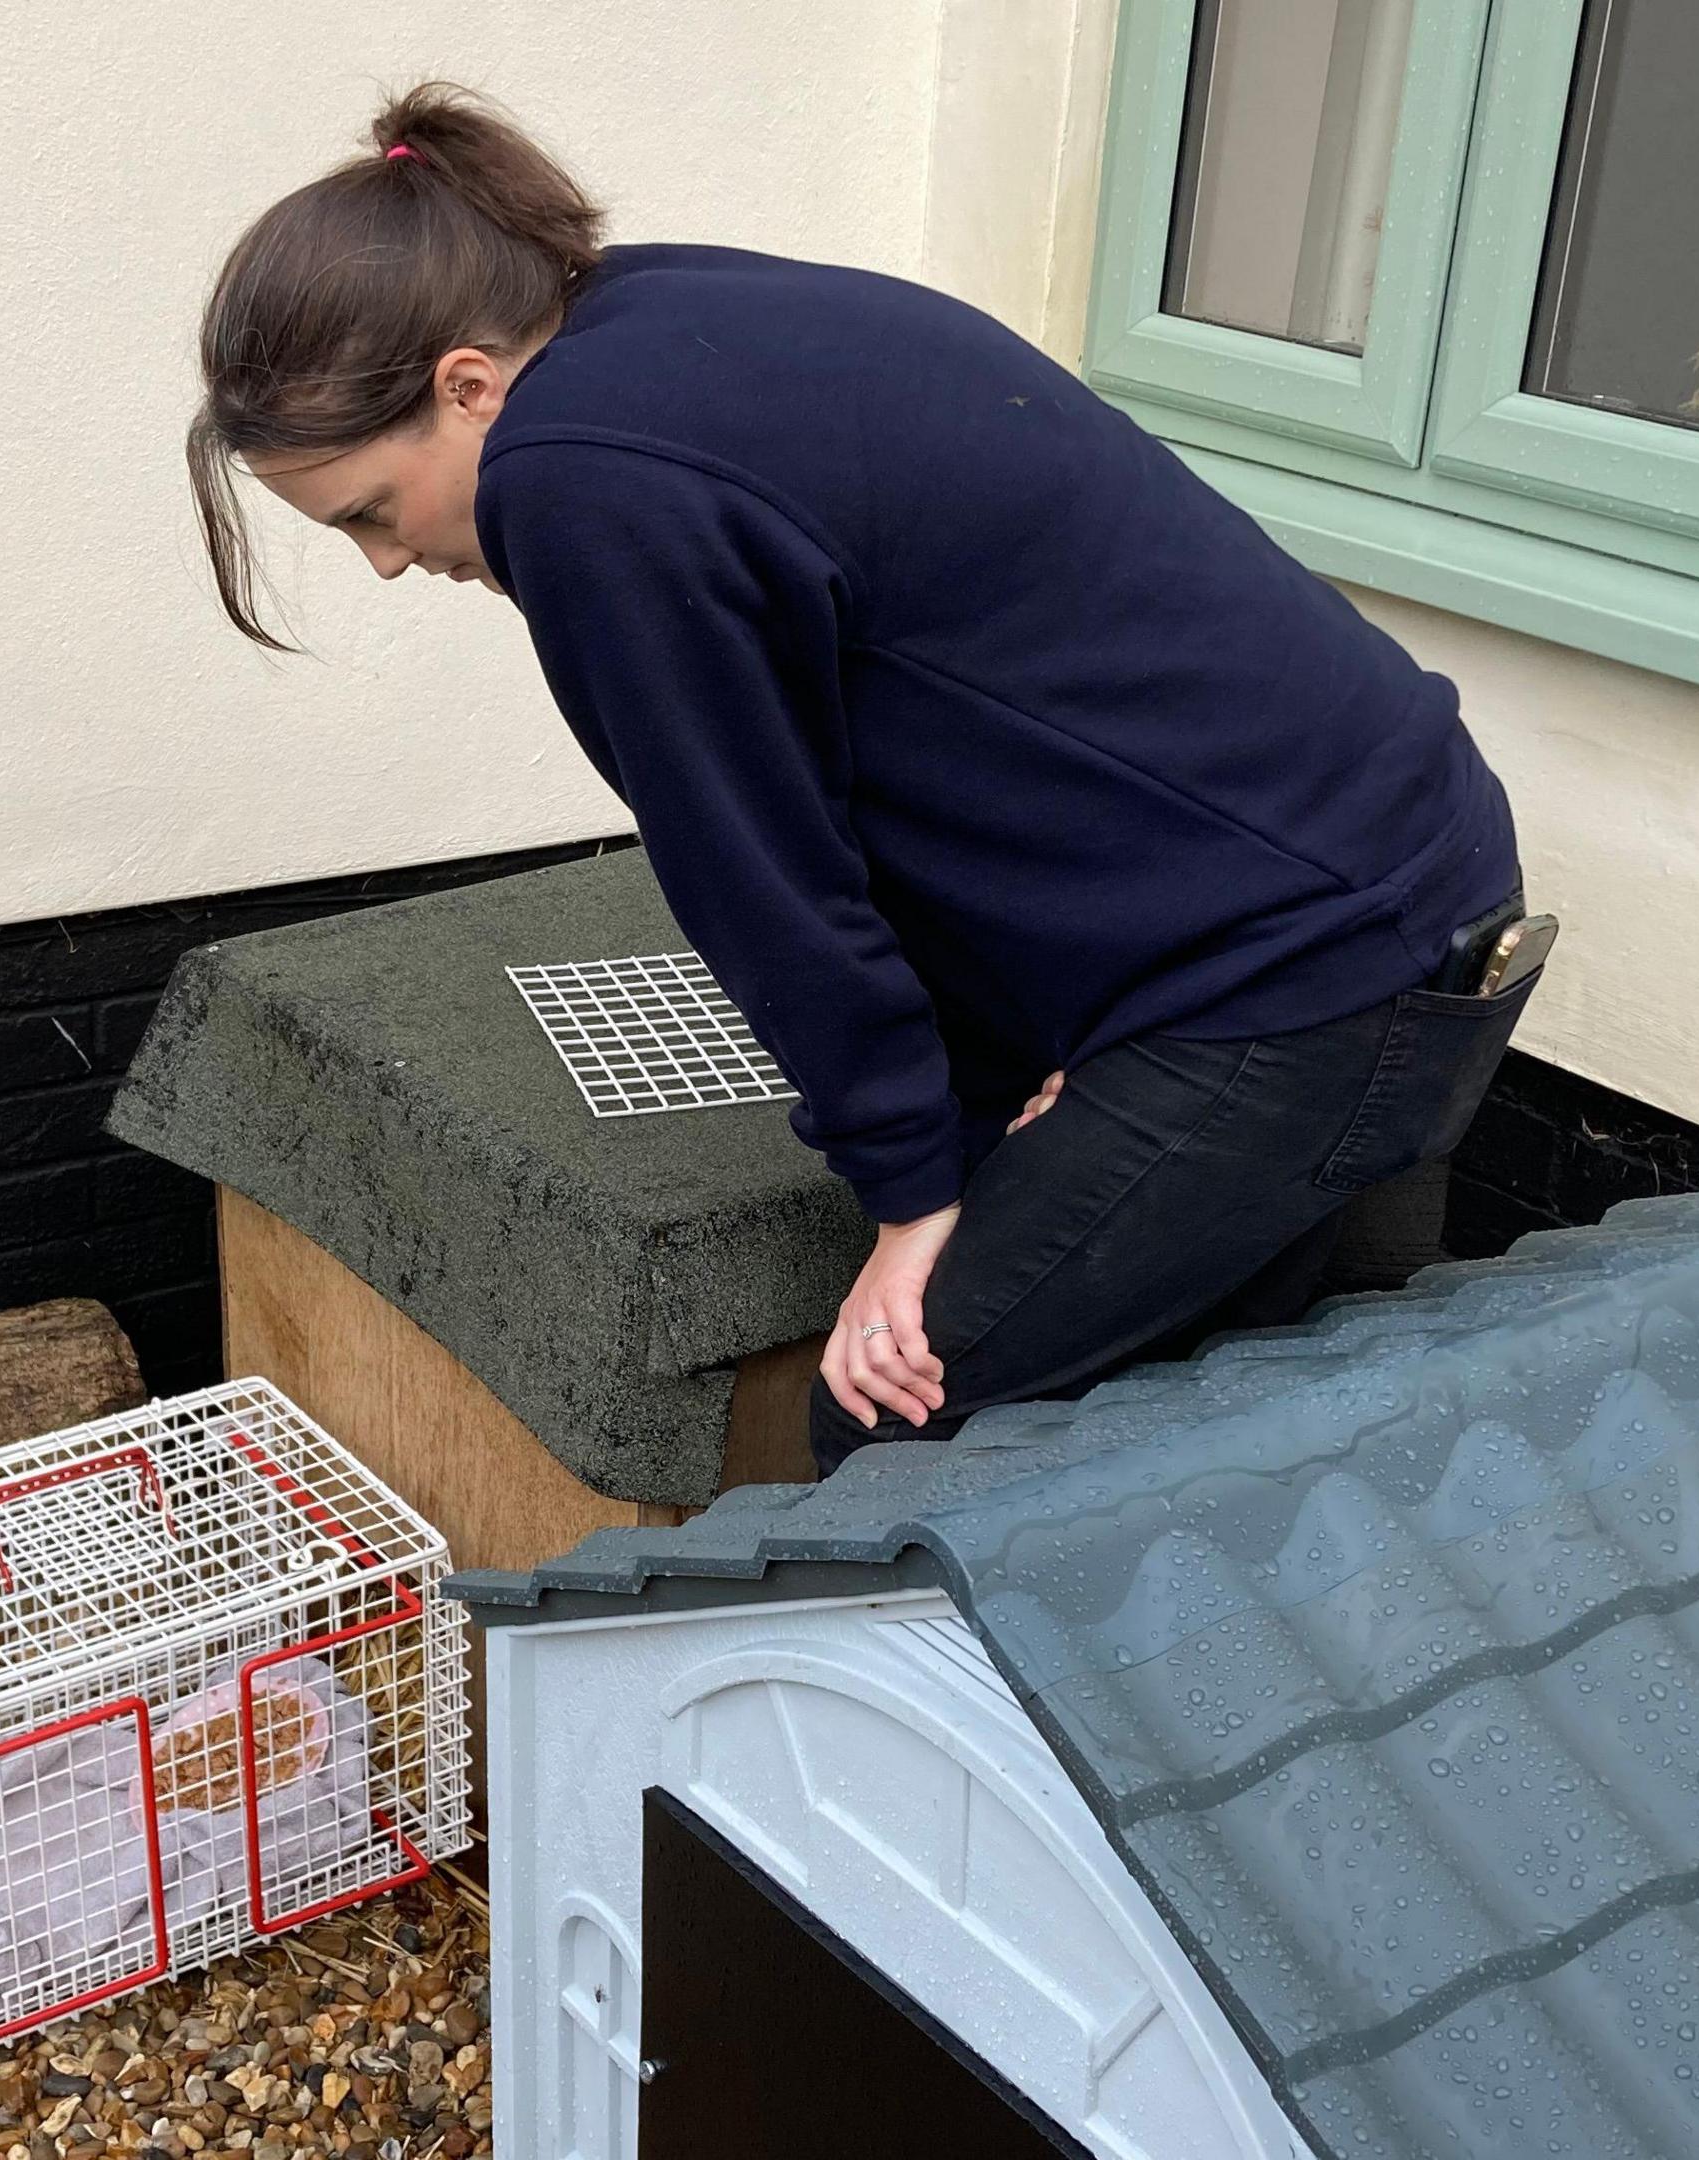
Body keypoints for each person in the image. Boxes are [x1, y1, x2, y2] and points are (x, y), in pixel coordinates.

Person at [187, 86, 1533, 1474]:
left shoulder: (578, 482)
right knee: (1274, 1418)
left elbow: (764, 873)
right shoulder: (648, 315)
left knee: (896, 1424)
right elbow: (936, 725)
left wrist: (915, 1197)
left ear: (467, 386)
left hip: (1311, 971)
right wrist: (1013, 1073)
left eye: (370, 511)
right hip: (1390, 872)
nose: (391, 564)